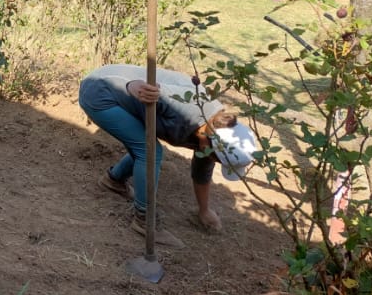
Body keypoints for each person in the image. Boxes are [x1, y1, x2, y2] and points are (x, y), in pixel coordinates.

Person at [79, 64, 257, 240]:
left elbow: (202, 170)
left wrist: (204, 210)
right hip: (100, 91)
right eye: (216, 159)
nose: (212, 160)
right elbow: (146, 88)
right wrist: (132, 86)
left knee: (146, 146)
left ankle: (113, 181)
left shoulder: (213, 131)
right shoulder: (183, 105)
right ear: (207, 143)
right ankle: (143, 220)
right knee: (150, 151)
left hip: (121, 97)